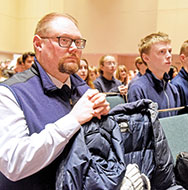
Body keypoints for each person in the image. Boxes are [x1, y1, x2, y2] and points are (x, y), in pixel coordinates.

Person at [0, 12, 110, 189]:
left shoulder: (82, 89)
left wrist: (104, 120)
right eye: (64, 40)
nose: (74, 48)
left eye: (78, 42)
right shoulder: (10, 93)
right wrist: (73, 120)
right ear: (38, 44)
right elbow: (14, 163)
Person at [127, 32, 180, 118]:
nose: (169, 56)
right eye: (162, 52)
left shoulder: (173, 89)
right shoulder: (137, 88)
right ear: (146, 58)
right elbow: (138, 128)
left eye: (169, 51)